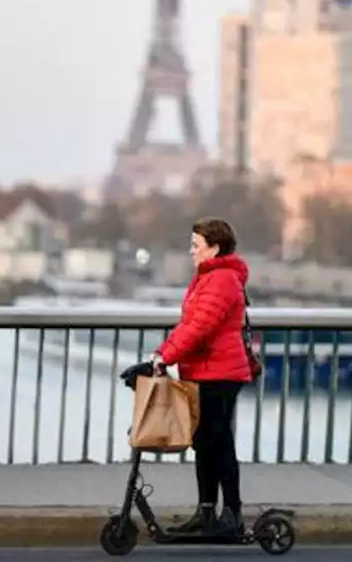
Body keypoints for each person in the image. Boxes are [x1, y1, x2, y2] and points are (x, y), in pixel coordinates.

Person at [150, 217, 253, 536]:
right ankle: (207, 512)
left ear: (215, 247)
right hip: (204, 371)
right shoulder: (208, 277)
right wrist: (162, 352)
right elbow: (189, 325)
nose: (190, 251)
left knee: (218, 442)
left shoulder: (221, 280)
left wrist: (165, 356)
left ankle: (232, 515)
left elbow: (200, 327)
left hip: (219, 374)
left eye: (196, 245)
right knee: (206, 442)